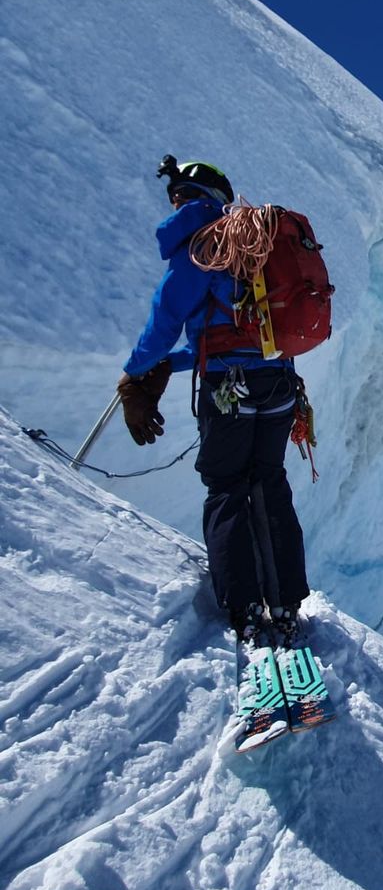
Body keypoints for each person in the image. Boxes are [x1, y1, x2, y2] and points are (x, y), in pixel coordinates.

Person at [117, 156, 309, 644]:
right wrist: (172, 365)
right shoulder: (260, 244)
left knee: (227, 488)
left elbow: (166, 325)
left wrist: (136, 373)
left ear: (188, 197)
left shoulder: (202, 245)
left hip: (229, 391)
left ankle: (244, 608)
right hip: (280, 385)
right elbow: (231, 335)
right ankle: (285, 603)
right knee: (268, 481)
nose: (174, 202)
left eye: (177, 194)